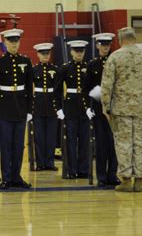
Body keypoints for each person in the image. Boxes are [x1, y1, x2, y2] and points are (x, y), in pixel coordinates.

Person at [101, 27, 142, 192]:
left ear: (120, 40)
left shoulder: (115, 57)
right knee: (140, 143)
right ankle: (139, 180)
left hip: (121, 109)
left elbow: (107, 85)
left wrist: (106, 106)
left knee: (123, 144)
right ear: (134, 38)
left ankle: (126, 180)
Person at [0, 29, 33, 189]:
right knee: (6, 145)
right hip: (5, 109)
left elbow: (28, 88)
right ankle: (6, 177)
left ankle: (16, 177)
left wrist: (29, 110)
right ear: (5, 42)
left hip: (20, 108)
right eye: (11, 41)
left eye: (16, 41)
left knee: (18, 145)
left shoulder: (26, 62)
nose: (14, 44)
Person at [84, 33, 120, 188]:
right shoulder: (93, 65)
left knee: (114, 144)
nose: (105, 47)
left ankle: (113, 174)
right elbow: (86, 88)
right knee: (101, 144)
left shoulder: (116, 62)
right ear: (98, 45)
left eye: (108, 44)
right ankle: (101, 176)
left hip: (115, 109)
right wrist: (88, 106)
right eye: (103, 44)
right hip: (99, 110)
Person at [54, 40, 94, 179]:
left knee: (84, 140)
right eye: (76, 51)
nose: (79, 54)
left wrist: (91, 107)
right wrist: (59, 108)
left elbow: (92, 89)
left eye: (81, 51)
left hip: (84, 109)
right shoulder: (65, 68)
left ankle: (83, 169)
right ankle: (71, 169)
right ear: (71, 52)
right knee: (70, 140)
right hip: (70, 108)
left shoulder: (89, 67)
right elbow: (57, 89)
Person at [32, 43, 59, 171]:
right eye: (43, 53)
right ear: (37, 54)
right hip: (38, 105)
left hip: (51, 105)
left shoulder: (55, 69)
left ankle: (50, 162)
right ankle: (40, 163)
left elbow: (59, 89)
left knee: (51, 136)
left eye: (47, 53)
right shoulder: (34, 70)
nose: (45, 56)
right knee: (39, 136)